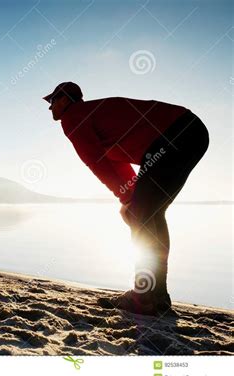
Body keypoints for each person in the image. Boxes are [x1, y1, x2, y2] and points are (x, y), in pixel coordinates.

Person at [43, 82, 209, 316]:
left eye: (52, 101)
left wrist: (127, 198)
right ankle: (158, 298)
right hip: (193, 132)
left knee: (142, 215)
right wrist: (128, 197)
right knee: (150, 214)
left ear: (64, 100)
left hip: (173, 136)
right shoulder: (93, 114)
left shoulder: (74, 117)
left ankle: (144, 297)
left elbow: (96, 161)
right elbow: (116, 163)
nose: (49, 108)